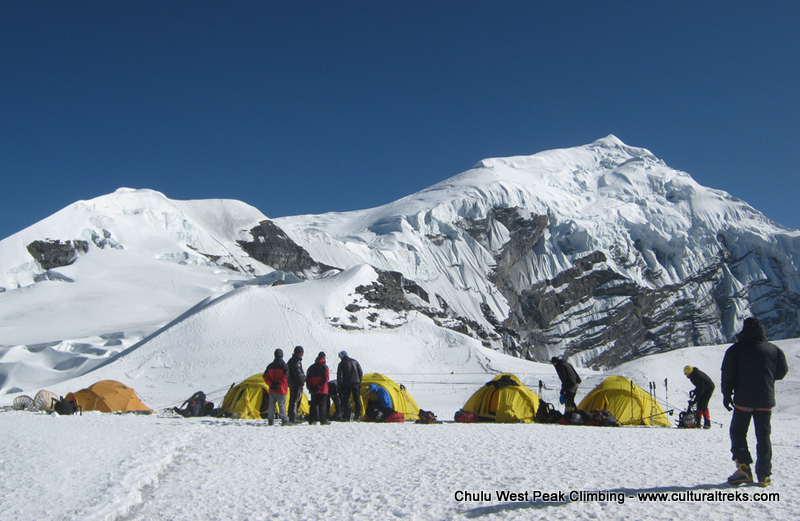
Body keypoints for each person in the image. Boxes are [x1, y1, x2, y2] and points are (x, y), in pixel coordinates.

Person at [721, 317, 788, 487]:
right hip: (765, 400)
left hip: (743, 400)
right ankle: (764, 475)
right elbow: (782, 371)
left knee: (738, 432)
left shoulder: (735, 350)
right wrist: (767, 378)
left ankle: (743, 468)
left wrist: (727, 394)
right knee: (763, 436)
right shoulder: (774, 350)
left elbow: (728, 374)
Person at [262, 348, 291, 426]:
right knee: (281, 406)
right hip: (281, 389)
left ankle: (270, 421)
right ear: (282, 356)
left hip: (272, 389)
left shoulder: (270, 366)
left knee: (271, 406)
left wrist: (271, 384)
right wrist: (278, 384)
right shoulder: (284, 366)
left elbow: (265, 376)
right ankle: (284, 420)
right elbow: (285, 377)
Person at [337, 351, 363, 421]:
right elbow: (360, 372)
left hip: (347, 384)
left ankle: (346, 415)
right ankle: (358, 415)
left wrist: (339, 386)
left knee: (346, 399)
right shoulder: (355, 361)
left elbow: (340, 376)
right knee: (357, 399)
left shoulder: (342, 364)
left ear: (342, 357)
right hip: (356, 383)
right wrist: (359, 381)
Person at [306, 351, 330, 425]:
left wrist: (310, 387)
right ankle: (323, 420)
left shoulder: (311, 367)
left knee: (313, 405)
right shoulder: (325, 367)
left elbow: (307, 378)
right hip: (322, 389)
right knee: (322, 405)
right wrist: (319, 386)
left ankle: (311, 420)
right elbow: (326, 378)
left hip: (313, 389)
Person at [287, 345, 305, 423]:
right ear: (299, 353)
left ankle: (292, 416)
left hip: (292, 383)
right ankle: (293, 417)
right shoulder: (296, 361)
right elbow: (298, 373)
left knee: (292, 400)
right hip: (296, 384)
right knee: (295, 401)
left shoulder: (292, 360)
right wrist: (302, 381)